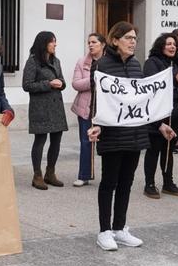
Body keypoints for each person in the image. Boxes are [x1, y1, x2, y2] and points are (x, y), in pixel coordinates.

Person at [86, 22, 146, 251]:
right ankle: (104, 231)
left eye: (135, 38)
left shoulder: (136, 65)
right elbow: (97, 100)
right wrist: (96, 124)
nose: (133, 42)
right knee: (109, 182)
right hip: (112, 133)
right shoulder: (101, 65)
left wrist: (159, 124)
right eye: (128, 38)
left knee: (126, 182)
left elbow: (142, 99)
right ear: (115, 40)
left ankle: (120, 228)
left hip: (134, 132)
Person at [141, 33, 178, 199]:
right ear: (161, 46)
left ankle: (168, 183)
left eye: (174, 44)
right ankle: (149, 184)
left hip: (174, 113)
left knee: (168, 149)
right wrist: (176, 81)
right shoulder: (152, 62)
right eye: (168, 44)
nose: (172, 46)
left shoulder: (176, 63)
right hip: (157, 113)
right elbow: (152, 86)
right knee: (154, 150)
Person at [22, 31, 68, 190]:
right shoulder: (33, 62)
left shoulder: (56, 61)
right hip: (40, 108)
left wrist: (60, 83)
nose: (55, 44)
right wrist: (49, 84)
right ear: (44, 43)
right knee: (40, 141)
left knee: (56, 141)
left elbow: (62, 81)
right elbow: (27, 85)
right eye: (52, 42)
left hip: (56, 107)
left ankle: (50, 173)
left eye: (55, 41)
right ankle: (37, 175)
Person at [70, 32, 104, 187]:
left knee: (107, 143)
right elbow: (76, 84)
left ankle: (108, 175)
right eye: (89, 42)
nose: (90, 45)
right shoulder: (82, 61)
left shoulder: (110, 62)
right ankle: (84, 175)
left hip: (105, 109)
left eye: (94, 42)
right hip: (86, 107)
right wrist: (93, 80)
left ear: (102, 45)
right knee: (86, 142)